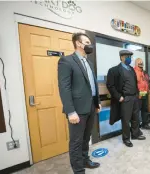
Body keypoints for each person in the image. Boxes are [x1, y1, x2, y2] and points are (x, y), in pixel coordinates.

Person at [58, 32, 101, 174]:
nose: (90, 45)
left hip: (90, 107)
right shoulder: (67, 61)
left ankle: (85, 160)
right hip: (77, 110)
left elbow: (92, 84)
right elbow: (64, 88)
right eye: (87, 42)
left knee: (86, 137)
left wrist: (97, 102)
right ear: (78, 43)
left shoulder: (89, 62)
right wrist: (70, 111)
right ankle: (78, 170)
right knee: (76, 141)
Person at [106, 50, 146, 147]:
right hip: (125, 99)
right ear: (122, 57)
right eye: (128, 56)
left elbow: (134, 83)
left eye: (130, 57)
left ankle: (135, 134)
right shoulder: (114, 70)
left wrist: (137, 94)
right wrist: (119, 97)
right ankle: (126, 138)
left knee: (135, 118)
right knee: (126, 120)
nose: (130, 58)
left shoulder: (131, 69)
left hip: (135, 97)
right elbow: (110, 86)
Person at [134, 58, 150, 130]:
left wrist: (149, 89)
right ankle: (136, 126)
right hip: (138, 93)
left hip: (145, 93)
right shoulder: (134, 71)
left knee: (145, 109)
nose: (141, 64)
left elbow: (147, 81)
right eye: (139, 62)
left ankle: (145, 124)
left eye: (142, 62)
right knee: (136, 110)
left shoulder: (144, 72)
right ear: (136, 64)